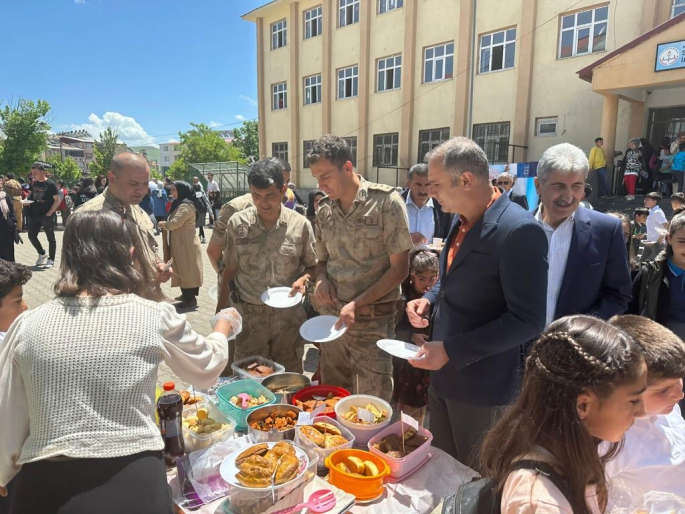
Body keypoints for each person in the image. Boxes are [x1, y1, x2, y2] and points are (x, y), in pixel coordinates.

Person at [0, 210, 240, 514]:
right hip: (133, 479)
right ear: (129, 255)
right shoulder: (153, 316)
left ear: (67, 257)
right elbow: (206, 370)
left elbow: (9, 415)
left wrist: (5, 473)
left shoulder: (27, 324)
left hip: (46, 487)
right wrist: (223, 326)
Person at [406, 136, 548, 466]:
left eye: (437, 185)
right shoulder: (460, 218)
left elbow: (528, 320)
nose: (431, 192)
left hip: (483, 389)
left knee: (476, 481)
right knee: (442, 470)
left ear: (466, 180)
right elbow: (452, 277)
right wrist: (427, 298)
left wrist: (452, 351)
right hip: (443, 378)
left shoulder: (519, 231)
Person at [476, 315, 646, 513]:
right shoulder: (539, 503)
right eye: (633, 400)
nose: (642, 412)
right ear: (582, 406)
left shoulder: (571, 450)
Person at [309, 135, 413, 402]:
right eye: (317, 179)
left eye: (325, 177)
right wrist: (321, 280)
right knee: (333, 397)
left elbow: (400, 269)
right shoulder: (324, 211)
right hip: (332, 322)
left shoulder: (386, 203)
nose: (320, 185)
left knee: (371, 404)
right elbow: (322, 261)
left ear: (347, 167)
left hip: (373, 322)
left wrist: (357, 303)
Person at [217, 159, 316, 373]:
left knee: (288, 380)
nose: (263, 202)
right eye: (256, 195)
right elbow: (230, 270)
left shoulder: (300, 225)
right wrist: (219, 315)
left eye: (270, 195)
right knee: (249, 383)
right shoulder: (237, 224)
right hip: (250, 318)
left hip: (288, 320)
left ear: (283, 190)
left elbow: (313, 266)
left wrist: (303, 279)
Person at [533, 143, 631, 326]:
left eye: (576, 186)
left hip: (575, 348)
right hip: (517, 350)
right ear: (538, 185)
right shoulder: (517, 228)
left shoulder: (607, 230)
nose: (568, 196)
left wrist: (580, 330)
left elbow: (618, 295)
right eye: (558, 186)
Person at [603, 315, 685, 505]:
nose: (680, 394)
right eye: (663, 390)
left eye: (679, 380)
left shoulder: (668, 409)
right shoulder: (611, 442)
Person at [77, 152, 171, 284]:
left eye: (145, 184)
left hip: (144, 296)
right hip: (114, 300)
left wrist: (158, 264)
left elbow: (148, 248)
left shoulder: (136, 208)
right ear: (112, 177)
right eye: (133, 184)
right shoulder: (89, 216)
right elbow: (81, 273)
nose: (141, 190)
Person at [393, 248, 438, 426]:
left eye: (432, 279)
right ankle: (407, 435)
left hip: (430, 361)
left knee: (423, 403)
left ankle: (416, 432)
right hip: (408, 364)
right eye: (421, 279)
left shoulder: (437, 300)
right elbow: (393, 330)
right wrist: (412, 336)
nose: (427, 284)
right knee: (410, 402)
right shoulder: (403, 300)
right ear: (412, 276)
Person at [629, 213, 685, 341]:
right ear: (669, 238)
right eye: (682, 241)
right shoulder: (648, 274)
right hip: (658, 347)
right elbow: (630, 314)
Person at [159, 182, 204, 309]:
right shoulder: (180, 204)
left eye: (174, 190)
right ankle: (185, 295)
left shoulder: (185, 206)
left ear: (181, 191)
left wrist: (162, 224)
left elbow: (174, 223)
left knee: (187, 271)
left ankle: (190, 299)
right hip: (182, 244)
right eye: (171, 190)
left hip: (187, 245)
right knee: (182, 269)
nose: (171, 193)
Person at [401, 163, 454, 245]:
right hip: (401, 257)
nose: (423, 190)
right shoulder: (395, 203)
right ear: (409, 184)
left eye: (427, 185)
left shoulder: (443, 207)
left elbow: (449, 238)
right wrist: (406, 238)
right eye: (418, 185)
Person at [26, 163, 60, 269]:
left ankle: (51, 259)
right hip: (34, 215)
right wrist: (26, 201)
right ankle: (41, 253)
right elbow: (31, 195)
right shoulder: (34, 183)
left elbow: (57, 201)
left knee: (51, 238)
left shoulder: (51, 184)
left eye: (35, 173)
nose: (33, 175)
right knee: (31, 236)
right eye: (32, 173)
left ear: (42, 172)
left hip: (47, 215)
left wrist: (50, 213)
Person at [0, 187, 17, 262]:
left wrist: (13, 222)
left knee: (8, 252)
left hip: (7, 228)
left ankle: (10, 271)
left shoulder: (5, 196)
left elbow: (11, 210)